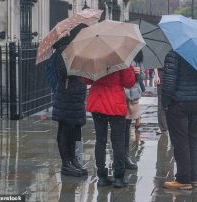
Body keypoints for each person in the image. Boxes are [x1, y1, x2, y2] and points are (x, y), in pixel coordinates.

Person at [161, 51, 197, 190]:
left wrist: (165, 102)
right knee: (193, 139)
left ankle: (183, 179)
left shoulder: (174, 54)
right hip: (196, 102)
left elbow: (169, 82)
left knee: (181, 141)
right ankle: (194, 178)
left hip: (178, 102)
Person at [84, 67, 135, 188]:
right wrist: (132, 71)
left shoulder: (94, 59)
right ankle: (118, 177)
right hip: (115, 102)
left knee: (100, 140)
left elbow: (86, 80)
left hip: (97, 100)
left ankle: (101, 176)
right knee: (118, 140)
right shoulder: (121, 60)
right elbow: (129, 83)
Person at [52, 24, 88, 177]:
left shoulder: (76, 50)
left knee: (75, 129)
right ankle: (66, 163)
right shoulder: (63, 50)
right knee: (65, 129)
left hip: (76, 96)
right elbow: (63, 72)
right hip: (67, 96)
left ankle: (73, 159)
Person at [123, 52, 146, 170]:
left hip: (132, 97)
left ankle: (126, 156)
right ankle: (120, 157)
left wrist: (138, 74)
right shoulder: (120, 53)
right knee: (119, 129)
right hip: (120, 95)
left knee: (127, 128)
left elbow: (142, 77)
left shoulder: (138, 56)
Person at [154, 68, 168, 135]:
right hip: (161, 76)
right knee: (161, 104)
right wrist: (156, 76)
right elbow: (155, 64)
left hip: (172, 76)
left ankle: (166, 126)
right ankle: (163, 127)